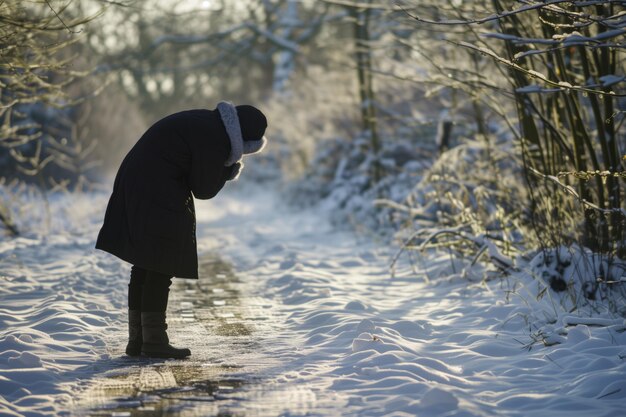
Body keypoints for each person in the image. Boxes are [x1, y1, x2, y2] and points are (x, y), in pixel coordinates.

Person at [95, 102, 267, 359]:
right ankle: (154, 341)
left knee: (144, 262)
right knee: (160, 263)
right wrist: (230, 170)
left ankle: (138, 340)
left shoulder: (206, 122)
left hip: (138, 181)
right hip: (157, 187)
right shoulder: (215, 138)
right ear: (242, 141)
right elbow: (204, 189)